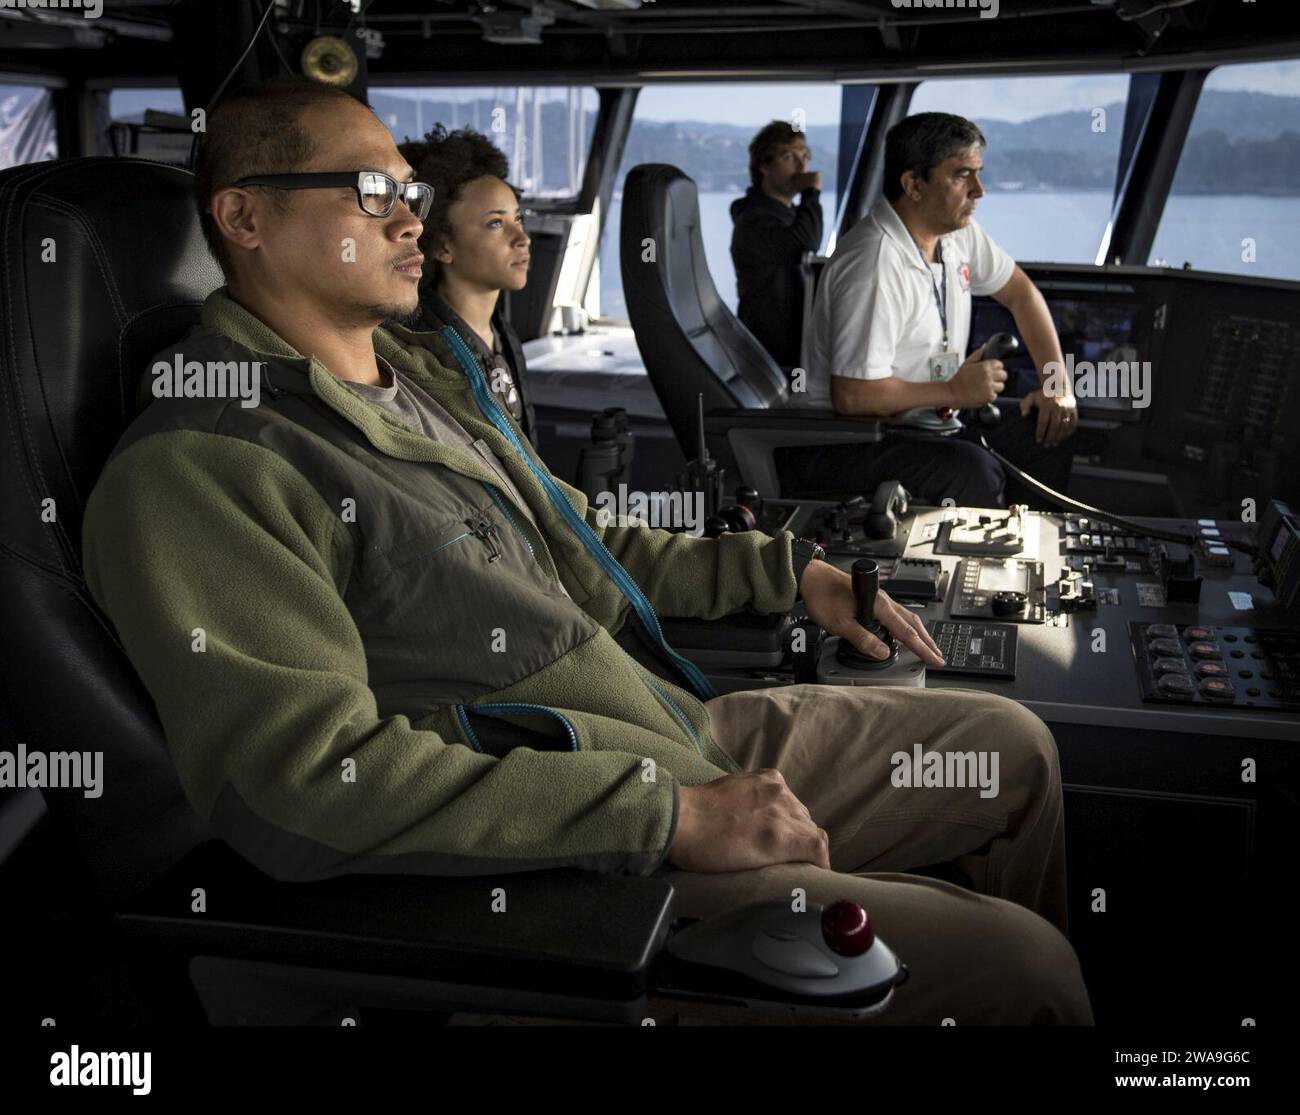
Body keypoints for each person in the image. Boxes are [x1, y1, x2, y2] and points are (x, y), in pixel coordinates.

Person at [80, 79, 1091, 1026]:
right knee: (1029, 970)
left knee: (1015, 751)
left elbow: (587, 541)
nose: (408, 219)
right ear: (245, 219)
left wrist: (787, 571)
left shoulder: (423, 377)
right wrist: (661, 814)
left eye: (412, 191)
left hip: (663, 723)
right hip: (574, 841)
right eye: (370, 190)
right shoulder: (205, 461)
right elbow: (308, 779)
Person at [790, 112, 1078, 509]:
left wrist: (1055, 382)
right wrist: (955, 389)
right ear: (914, 185)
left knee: (1048, 432)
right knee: (973, 470)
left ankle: (1031, 556)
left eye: (978, 173)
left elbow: (1021, 294)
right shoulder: (873, 265)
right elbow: (853, 397)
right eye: (963, 175)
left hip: (927, 419)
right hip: (848, 438)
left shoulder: (957, 235)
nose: (979, 191)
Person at [398, 124, 539, 451]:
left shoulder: (500, 334)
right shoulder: (427, 357)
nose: (522, 239)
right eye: (495, 224)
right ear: (441, 247)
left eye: (518, 219)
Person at [730, 120, 824, 371]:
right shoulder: (753, 220)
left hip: (793, 343)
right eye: (788, 158)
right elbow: (804, 243)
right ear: (764, 166)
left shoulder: (789, 214)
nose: (802, 166)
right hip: (769, 354)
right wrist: (811, 194)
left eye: (805, 157)